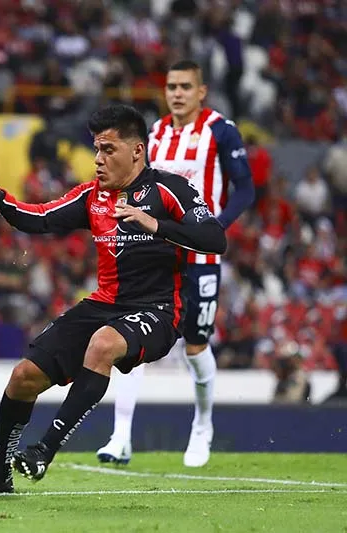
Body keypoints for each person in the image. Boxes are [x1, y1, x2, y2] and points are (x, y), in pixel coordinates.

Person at [0, 104, 227, 493]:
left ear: (137, 151)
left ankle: (45, 450)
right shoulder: (92, 196)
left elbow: (216, 239)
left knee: (103, 344)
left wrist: (157, 225)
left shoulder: (170, 190)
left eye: (108, 150)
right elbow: (40, 218)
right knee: (23, 377)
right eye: (96, 149)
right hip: (105, 304)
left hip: (160, 311)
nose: (98, 159)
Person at [97, 60, 254, 468]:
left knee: (195, 343)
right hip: (155, 253)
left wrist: (213, 226)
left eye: (186, 86)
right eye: (171, 86)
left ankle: (203, 426)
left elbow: (245, 188)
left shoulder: (222, 131)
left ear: (201, 92)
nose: (177, 93)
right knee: (130, 336)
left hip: (199, 255)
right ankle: (121, 437)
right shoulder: (153, 134)